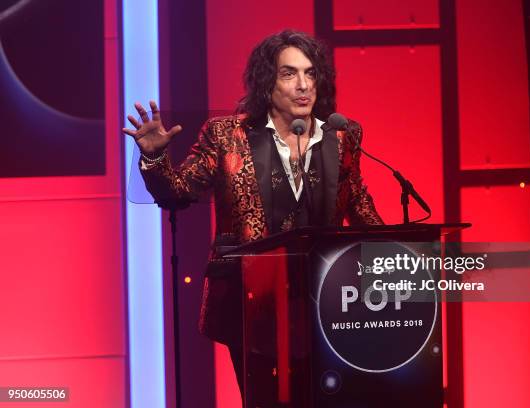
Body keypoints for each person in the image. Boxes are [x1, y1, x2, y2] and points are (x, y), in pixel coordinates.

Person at [122, 29, 382, 403]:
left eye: (310, 73)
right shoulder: (227, 135)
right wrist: (153, 157)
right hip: (251, 306)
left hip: (327, 303)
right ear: (266, 82)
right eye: (289, 74)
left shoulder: (341, 136)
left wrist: (394, 256)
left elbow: (359, 205)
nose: (303, 85)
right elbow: (178, 193)